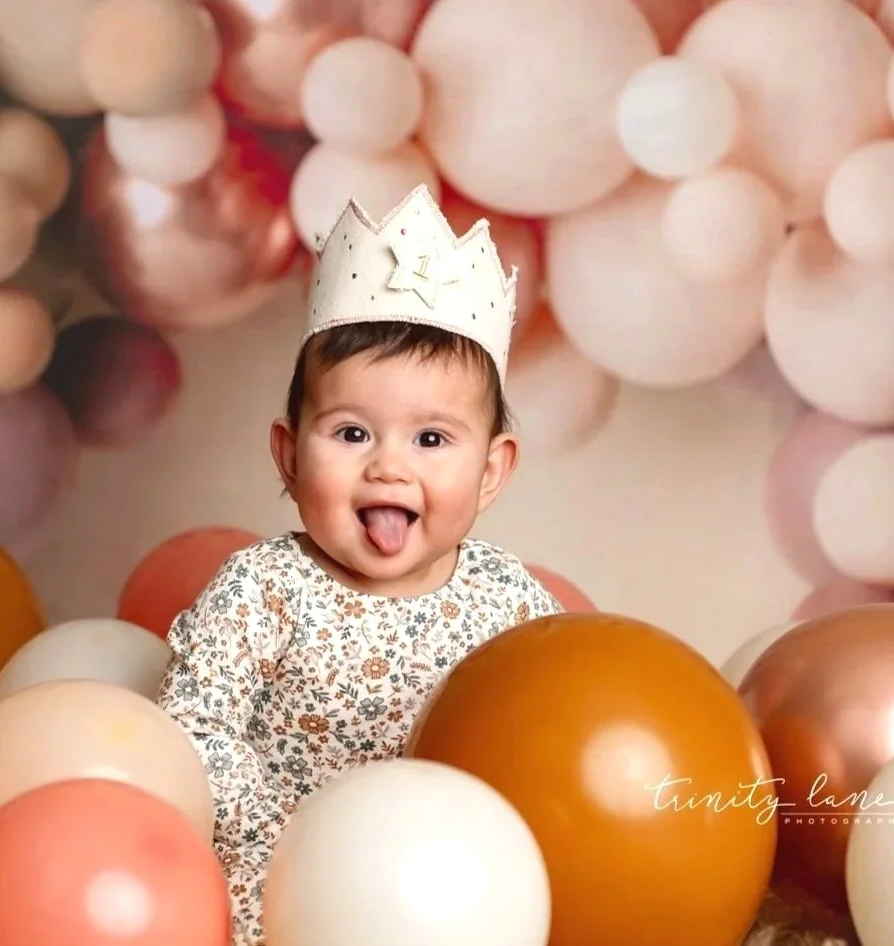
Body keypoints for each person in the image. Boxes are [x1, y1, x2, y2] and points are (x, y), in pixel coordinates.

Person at [155, 183, 564, 944]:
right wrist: (297, 838)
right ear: (287, 455)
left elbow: (557, 729)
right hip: (286, 880)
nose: (388, 469)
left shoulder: (509, 604)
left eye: (431, 440)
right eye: (350, 434)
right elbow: (191, 727)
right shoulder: (262, 591)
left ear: (491, 472)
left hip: (451, 886)